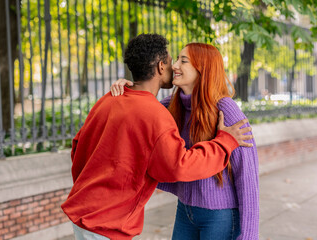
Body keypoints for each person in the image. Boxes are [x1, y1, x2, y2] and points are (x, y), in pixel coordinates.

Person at [61, 34, 254, 240]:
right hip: (108, 224)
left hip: (84, 213)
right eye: (173, 61)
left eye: (183, 61)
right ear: (161, 67)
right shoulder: (159, 112)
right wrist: (225, 142)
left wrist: (91, 188)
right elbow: (179, 165)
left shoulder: (108, 100)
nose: (175, 67)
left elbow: (78, 147)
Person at [111, 43, 259, 239]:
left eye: (184, 61)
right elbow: (138, 114)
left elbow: (247, 175)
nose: (174, 66)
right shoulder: (171, 106)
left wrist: (248, 235)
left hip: (220, 216)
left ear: (202, 68)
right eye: (177, 59)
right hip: (185, 211)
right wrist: (127, 88)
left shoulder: (226, 109)